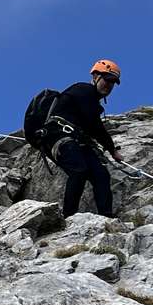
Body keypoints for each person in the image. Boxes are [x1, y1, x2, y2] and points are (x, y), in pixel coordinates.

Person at [44, 60, 124, 218]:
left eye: (112, 82)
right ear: (95, 76)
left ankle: (107, 217)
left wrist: (110, 148)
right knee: (79, 170)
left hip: (77, 140)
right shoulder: (84, 90)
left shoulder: (91, 100)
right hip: (59, 136)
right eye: (106, 79)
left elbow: (92, 125)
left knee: (101, 175)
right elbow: (95, 125)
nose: (109, 85)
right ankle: (68, 217)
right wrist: (112, 149)